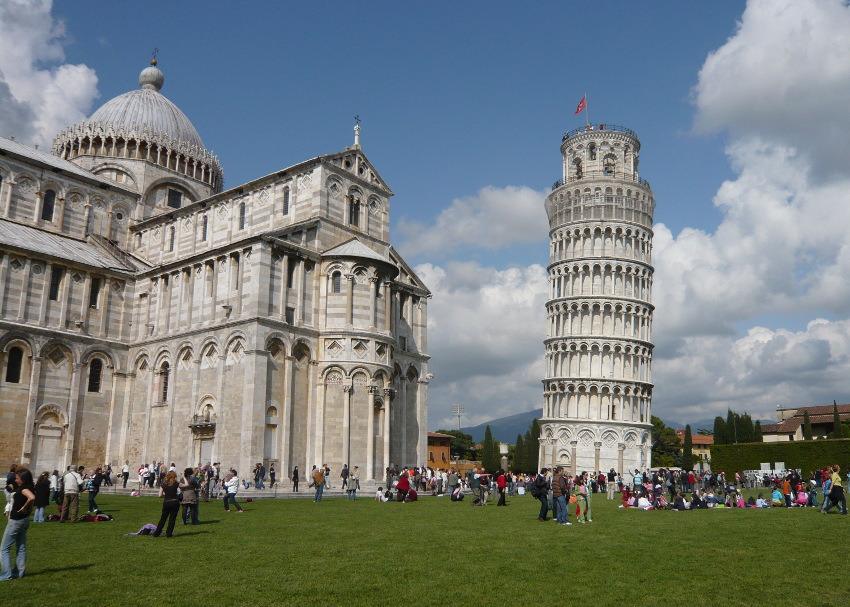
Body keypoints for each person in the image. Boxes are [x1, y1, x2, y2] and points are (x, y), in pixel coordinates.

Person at [0, 468, 35, 580]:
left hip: (16, 521)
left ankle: (7, 574)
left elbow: (32, 497)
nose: (16, 480)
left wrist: (24, 507)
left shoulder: (24, 489)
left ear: (23, 479)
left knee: (4, 548)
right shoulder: (27, 487)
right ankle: (18, 573)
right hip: (24, 520)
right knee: (21, 547)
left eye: (17, 478)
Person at [152, 470, 180, 538]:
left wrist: (165, 496)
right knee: (172, 519)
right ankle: (169, 533)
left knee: (163, 518)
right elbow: (181, 490)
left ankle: (156, 533)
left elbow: (160, 495)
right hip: (175, 501)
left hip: (167, 501)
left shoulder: (163, 485)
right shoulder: (176, 483)